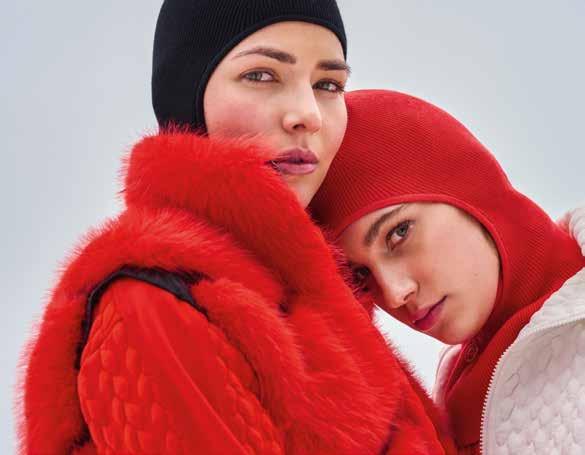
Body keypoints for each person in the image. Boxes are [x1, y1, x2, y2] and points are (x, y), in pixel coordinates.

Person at [16, 3, 455, 454]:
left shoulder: (319, 297)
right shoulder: (152, 302)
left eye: (328, 84)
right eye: (261, 76)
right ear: (188, 97)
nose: (308, 114)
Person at [311, 89, 585, 454]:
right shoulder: (457, 388)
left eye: (399, 233)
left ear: (467, 185)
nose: (394, 293)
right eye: (361, 275)